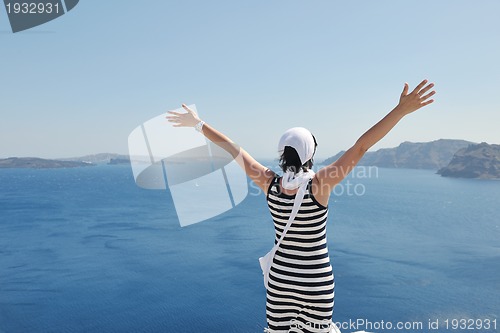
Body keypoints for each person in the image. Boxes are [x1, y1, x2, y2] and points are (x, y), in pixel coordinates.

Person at [166, 79, 435, 333]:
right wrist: (400, 110)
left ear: (283, 154)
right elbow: (361, 146)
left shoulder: (269, 183)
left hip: (280, 282)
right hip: (315, 284)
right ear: (311, 153)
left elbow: (234, 149)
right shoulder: (319, 184)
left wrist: (198, 124)